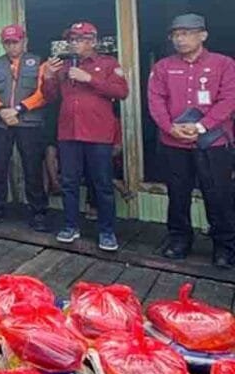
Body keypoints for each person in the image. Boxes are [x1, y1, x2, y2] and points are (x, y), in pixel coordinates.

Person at [148, 13, 235, 269]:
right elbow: (156, 101)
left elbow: (229, 100)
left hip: (213, 142)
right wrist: (170, 128)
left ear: (203, 35)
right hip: (174, 143)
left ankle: (224, 247)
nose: (180, 39)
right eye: (176, 34)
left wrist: (201, 125)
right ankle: (179, 241)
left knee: (218, 195)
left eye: (186, 33)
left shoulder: (224, 64)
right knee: (177, 194)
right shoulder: (163, 67)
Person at [43, 22, 129, 252]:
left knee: (102, 184)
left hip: (99, 133)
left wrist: (88, 78)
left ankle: (107, 232)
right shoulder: (64, 66)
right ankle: (71, 226)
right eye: (72, 39)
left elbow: (122, 92)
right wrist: (49, 77)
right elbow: (49, 97)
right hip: (69, 132)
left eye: (79, 39)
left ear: (92, 41)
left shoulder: (108, 64)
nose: (74, 43)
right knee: (69, 182)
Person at [0, 24, 48, 232]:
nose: (12, 46)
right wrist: (1, 110)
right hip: (0, 122)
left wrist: (19, 109)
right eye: (8, 42)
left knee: (32, 167)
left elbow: (43, 93)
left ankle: (38, 211)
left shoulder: (39, 63)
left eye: (16, 41)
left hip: (28, 123)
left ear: (24, 41)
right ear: (3, 43)